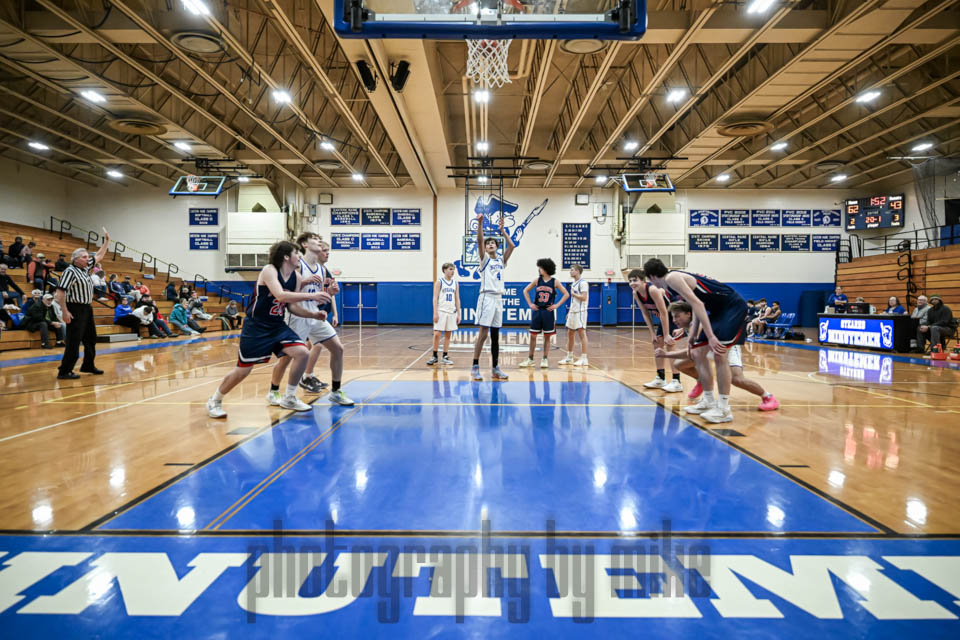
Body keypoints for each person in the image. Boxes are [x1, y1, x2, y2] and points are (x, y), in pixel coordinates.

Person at [206, 240, 332, 418]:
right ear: (286, 256)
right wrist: (310, 295)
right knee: (243, 370)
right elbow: (280, 295)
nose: (299, 257)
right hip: (256, 327)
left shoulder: (296, 277)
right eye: (296, 253)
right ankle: (215, 399)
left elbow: (291, 306)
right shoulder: (269, 270)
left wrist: (313, 314)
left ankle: (289, 397)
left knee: (302, 352)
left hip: (277, 326)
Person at [644, 258, 748, 424]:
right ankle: (708, 400)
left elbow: (698, 304)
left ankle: (724, 409)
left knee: (720, 354)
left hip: (731, 307)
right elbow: (696, 307)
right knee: (698, 353)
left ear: (651, 276)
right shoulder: (670, 285)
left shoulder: (672, 278)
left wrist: (711, 337)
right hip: (716, 310)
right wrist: (692, 335)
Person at [267, 234, 352, 406]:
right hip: (297, 315)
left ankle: (336, 391)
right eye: (314, 238)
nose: (318, 241)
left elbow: (317, 297)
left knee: (338, 349)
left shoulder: (321, 269)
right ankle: (274, 391)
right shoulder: (298, 265)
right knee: (287, 358)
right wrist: (304, 283)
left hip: (314, 313)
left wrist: (329, 293)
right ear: (304, 244)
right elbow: (286, 293)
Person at [655, 300, 779, 411]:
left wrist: (666, 354)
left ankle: (768, 397)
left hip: (727, 347)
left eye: (677, 316)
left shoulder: (696, 326)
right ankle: (702, 381)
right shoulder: (690, 325)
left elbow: (691, 353)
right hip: (709, 349)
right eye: (673, 317)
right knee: (679, 364)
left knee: (736, 379)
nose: (674, 320)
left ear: (688, 314)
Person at [55, 228, 111, 380]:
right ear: (76, 259)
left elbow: (99, 255)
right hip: (75, 308)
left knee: (91, 338)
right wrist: (65, 311)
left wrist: (107, 241)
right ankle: (64, 370)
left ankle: (88, 365)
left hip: (87, 308)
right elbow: (60, 292)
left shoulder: (85, 268)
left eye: (87, 257)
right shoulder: (70, 271)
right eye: (85, 257)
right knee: (74, 341)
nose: (88, 259)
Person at [471, 211, 516, 382]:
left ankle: (495, 368)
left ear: (497, 246)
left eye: (492, 243)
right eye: (488, 243)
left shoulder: (501, 261)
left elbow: (512, 246)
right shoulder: (485, 260)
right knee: (483, 334)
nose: (489, 244)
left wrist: (503, 231)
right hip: (486, 298)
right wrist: (480, 224)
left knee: (496, 336)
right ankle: (475, 366)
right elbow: (479, 241)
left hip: (498, 299)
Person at [627, 268, 682, 393]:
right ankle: (660, 378)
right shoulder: (636, 293)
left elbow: (664, 312)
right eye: (630, 281)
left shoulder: (652, 290)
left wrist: (666, 334)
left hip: (675, 315)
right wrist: (652, 333)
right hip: (666, 317)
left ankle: (676, 381)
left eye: (635, 280)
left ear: (643, 280)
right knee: (657, 344)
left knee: (669, 345)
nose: (632, 283)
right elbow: (645, 313)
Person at [519, 258, 569, 369]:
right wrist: (530, 303)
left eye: (540, 267)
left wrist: (556, 305)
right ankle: (530, 359)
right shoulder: (537, 280)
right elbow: (525, 290)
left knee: (547, 337)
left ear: (546, 269)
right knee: (533, 336)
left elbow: (566, 294)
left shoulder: (555, 282)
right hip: (537, 311)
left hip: (548, 312)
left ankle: (545, 359)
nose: (539, 269)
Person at [428, 262, 460, 366]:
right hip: (441, 311)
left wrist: (459, 313)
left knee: (448, 335)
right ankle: (434, 356)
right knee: (437, 334)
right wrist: (435, 312)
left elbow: (457, 299)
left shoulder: (455, 283)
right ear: (444, 270)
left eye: (453, 269)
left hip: (451, 311)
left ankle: (445, 356)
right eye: (450, 269)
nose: (452, 271)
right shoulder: (439, 282)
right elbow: (435, 298)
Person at [559, 264, 589, 366]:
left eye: (572, 270)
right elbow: (573, 301)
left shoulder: (583, 283)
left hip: (581, 311)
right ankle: (569, 357)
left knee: (581, 333)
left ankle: (584, 358)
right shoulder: (573, 283)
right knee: (570, 333)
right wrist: (569, 312)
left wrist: (574, 294)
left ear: (577, 271)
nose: (570, 272)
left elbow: (584, 297)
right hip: (573, 311)